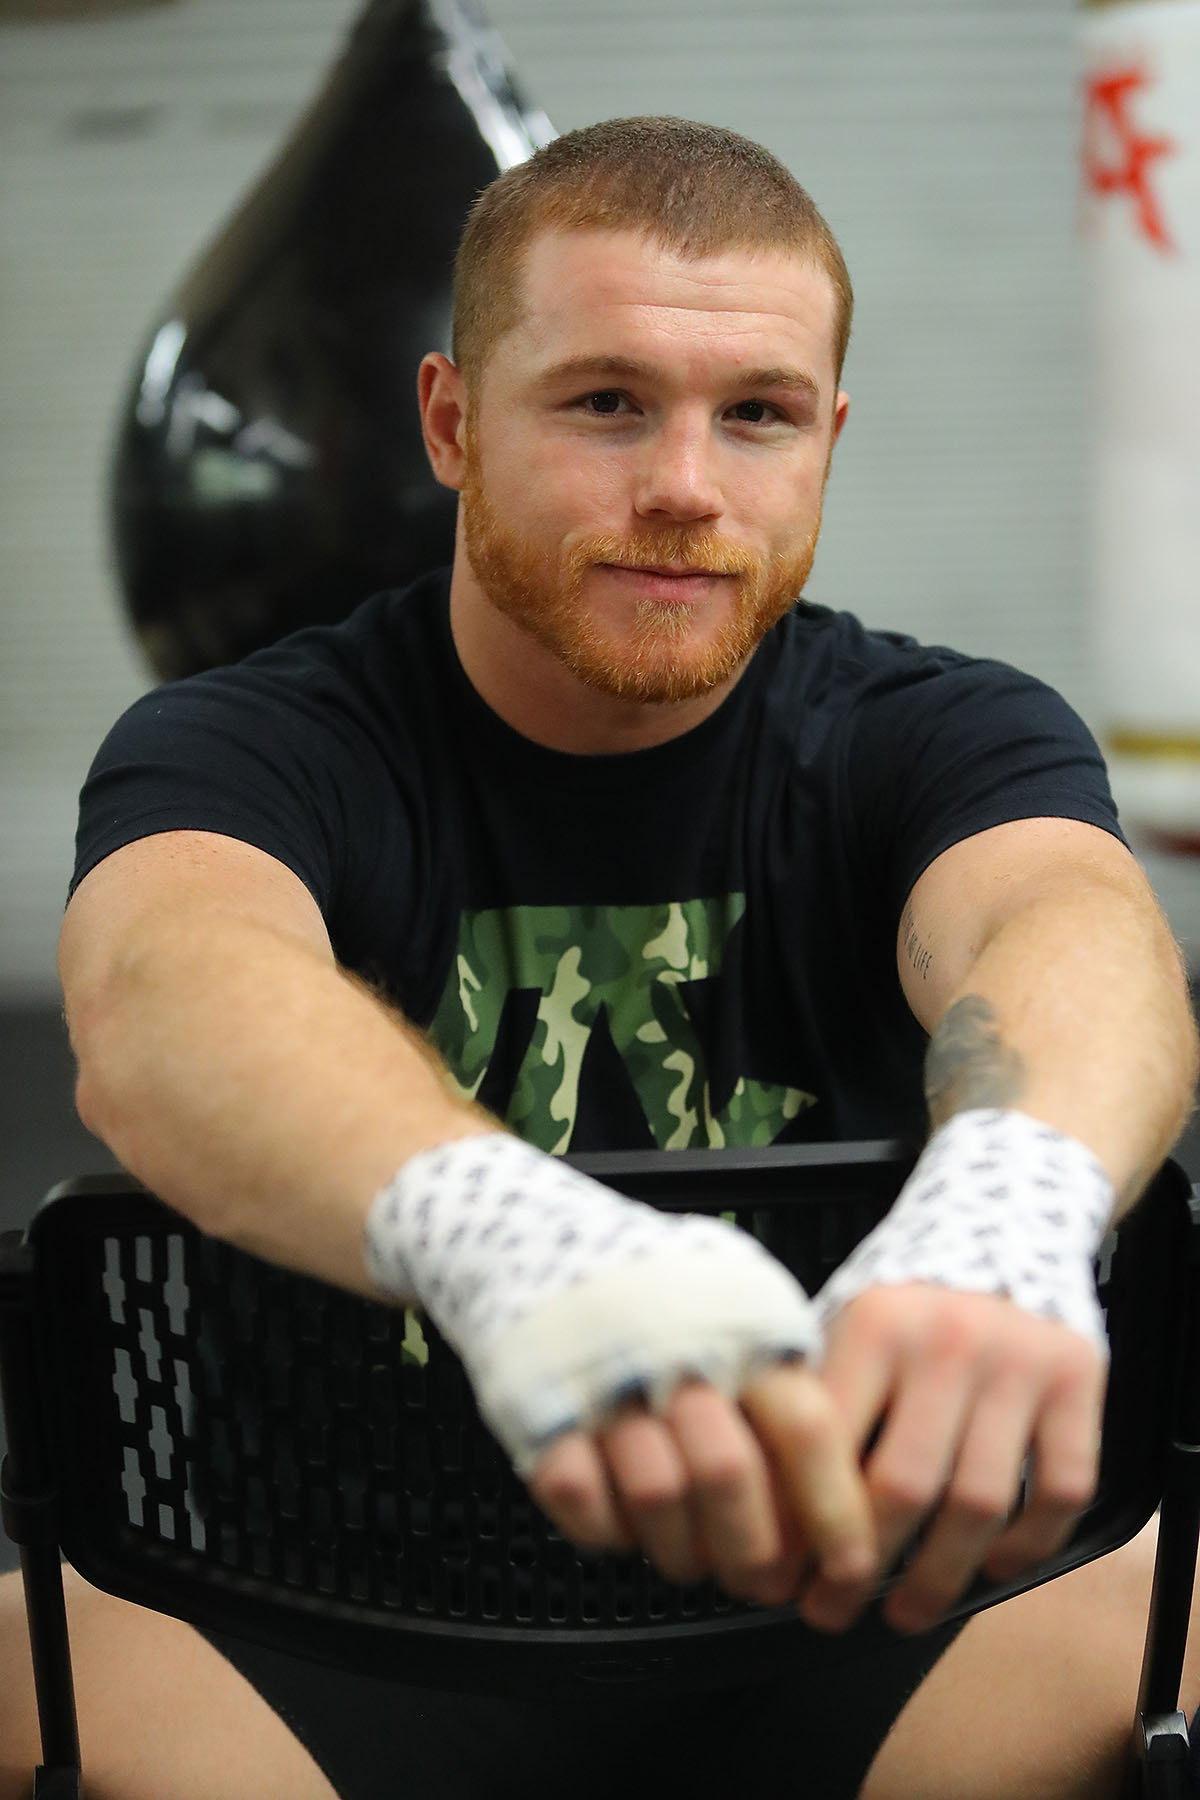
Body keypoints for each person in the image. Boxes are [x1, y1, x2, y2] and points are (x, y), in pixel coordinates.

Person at [1, 115, 1197, 1800]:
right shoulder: (255, 742)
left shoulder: (937, 733)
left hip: (872, 1617)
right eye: (607, 402)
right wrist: (504, 1236)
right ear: (450, 422)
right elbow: (167, 989)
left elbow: (1067, 928)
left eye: (759, 413)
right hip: (325, 1631)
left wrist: (1020, 1189)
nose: (686, 486)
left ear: (829, 439)